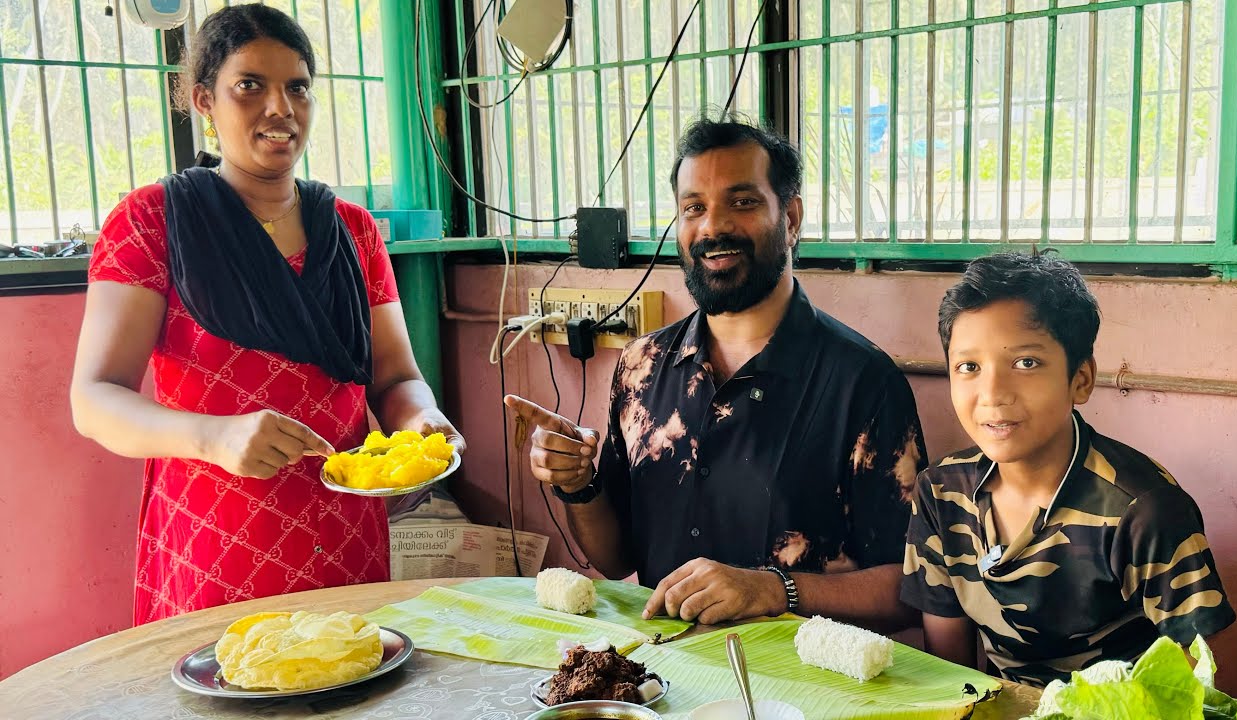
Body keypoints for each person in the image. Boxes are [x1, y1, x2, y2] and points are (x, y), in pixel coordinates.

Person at [69, 5, 462, 625]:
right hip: (216, 541)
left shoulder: (353, 231)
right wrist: (214, 436)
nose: (281, 108)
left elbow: (395, 379)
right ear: (204, 99)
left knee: (350, 670)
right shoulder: (154, 222)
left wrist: (422, 420)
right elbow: (94, 399)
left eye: (297, 88)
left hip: (343, 536)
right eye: (250, 85)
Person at [506, 118, 926, 629]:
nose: (712, 227)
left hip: (795, 675)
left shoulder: (862, 384)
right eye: (693, 208)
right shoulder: (641, 368)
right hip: (662, 666)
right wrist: (578, 483)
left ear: (791, 218)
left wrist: (775, 589)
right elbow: (616, 560)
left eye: (742, 202)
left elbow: (911, 589)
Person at [901, 252, 1235, 687]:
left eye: (1026, 363)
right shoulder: (941, 492)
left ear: (1081, 379)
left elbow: (1213, 690)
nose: (992, 393)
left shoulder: (1142, 510)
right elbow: (951, 678)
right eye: (969, 367)